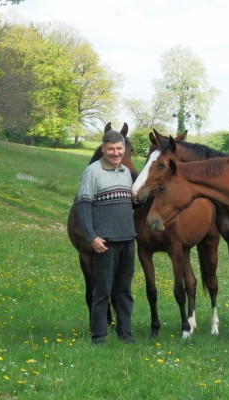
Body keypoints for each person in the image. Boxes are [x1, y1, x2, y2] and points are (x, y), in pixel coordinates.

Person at [75, 128, 136, 345]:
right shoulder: (92, 172)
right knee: (102, 291)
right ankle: (99, 336)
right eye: (111, 149)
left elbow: (126, 203)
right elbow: (83, 205)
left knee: (124, 291)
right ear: (103, 149)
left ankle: (125, 334)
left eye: (119, 148)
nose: (115, 153)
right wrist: (91, 237)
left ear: (124, 149)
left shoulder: (126, 173)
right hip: (105, 242)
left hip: (128, 239)